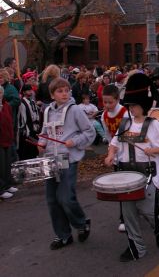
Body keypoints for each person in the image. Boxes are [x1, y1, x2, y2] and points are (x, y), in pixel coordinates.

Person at [104, 73, 159, 262]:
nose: (131, 109)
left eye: (135, 106)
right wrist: (110, 155)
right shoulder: (125, 124)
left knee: (147, 210)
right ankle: (136, 248)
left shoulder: (153, 125)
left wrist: (153, 149)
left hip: (148, 175)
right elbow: (115, 143)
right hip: (126, 174)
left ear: (144, 105)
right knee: (128, 213)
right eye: (130, 106)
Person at [38, 77, 96, 250]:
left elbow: (90, 131)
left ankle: (81, 223)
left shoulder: (75, 110)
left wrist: (75, 141)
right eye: (59, 91)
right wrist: (41, 143)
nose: (64, 94)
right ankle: (63, 235)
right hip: (50, 159)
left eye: (66, 90)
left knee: (65, 198)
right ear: (52, 94)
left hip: (68, 159)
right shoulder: (48, 110)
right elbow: (44, 132)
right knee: (51, 200)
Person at [101, 84, 128, 232]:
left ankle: (130, 214)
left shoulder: (124, 112)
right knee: (120, 186)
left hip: (127, 152)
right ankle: (123, 217)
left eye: (110, 102)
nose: (107, 105)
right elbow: (108, 135)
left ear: (117, 99)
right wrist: (111, 151)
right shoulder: (104, 116)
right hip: (116, 154)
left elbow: (124, 134)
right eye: (105, 102)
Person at [0, 86, 18, 199]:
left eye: (1, 93)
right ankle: (1, 189)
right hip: (0, 141)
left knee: (7, 164)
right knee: (1, 166)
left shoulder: (6, 105)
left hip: (8, 138)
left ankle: (7, 185)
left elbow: (10, 120)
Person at [17, 84, 41, 160]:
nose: (31, 92)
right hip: (27, 129)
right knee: (27, 150)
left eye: (31, 90)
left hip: (34, 129)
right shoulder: (22, 103)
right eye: (28, 90)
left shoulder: (33, 102)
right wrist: (25, 129)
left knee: (34, 149)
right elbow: (23, 118)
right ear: (24, 92)